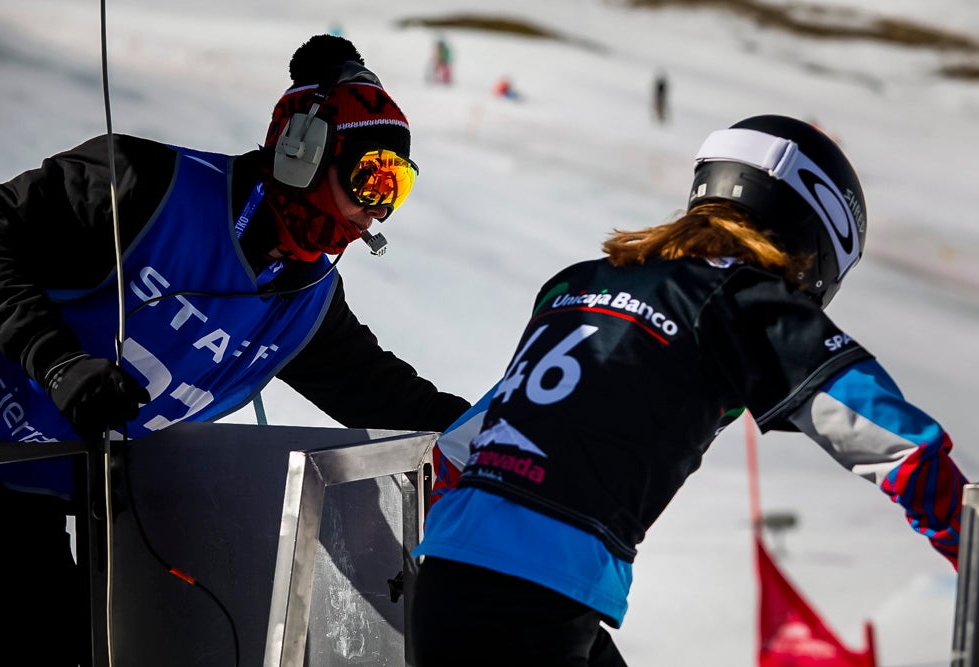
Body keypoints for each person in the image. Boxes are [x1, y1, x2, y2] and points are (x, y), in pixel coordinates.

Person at [0, 34, 469, 665]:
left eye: (393, 188)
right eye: (371, 177)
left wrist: (510, 444)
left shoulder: (306, 301)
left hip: (32, 498)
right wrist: (57, 360)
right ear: (302, 152)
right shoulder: (147, 187)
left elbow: (393, 397)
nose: (376, 212)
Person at [410, 115, 968, 665]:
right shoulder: (739, 299)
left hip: (462, 583)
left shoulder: (577, 283)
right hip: (534, 601)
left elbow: (459, 446)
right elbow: (893, 440)